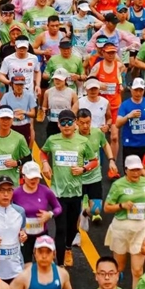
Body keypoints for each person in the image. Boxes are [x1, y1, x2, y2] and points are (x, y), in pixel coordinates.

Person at [40, 109, 95, 267]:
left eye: (69, 122)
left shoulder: (83, 141)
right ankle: (60, 264)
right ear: (58, 124)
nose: (66, 125)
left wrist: (83, 169)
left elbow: (94, 161)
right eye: (63, 122)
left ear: (75, 123)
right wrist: (45, 164)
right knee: (61, 229)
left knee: (72, 228)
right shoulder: (53, 140)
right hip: (58, 193)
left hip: (76, 192)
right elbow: (43, 152)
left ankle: (68, 248)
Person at [103, 154, 145, 289]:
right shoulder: (118, 185)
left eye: (138, 169)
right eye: (132, 170)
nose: (136, 173)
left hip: (141, 229)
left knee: (137, 270)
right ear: (126, 170)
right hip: (121, 229)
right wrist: (122, 205)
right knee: (119, 267)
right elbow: (107, 208)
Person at [13, 161, 62, 262]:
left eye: (36, 177)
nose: (34, 180)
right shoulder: (16, 193)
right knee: (25, 265)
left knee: (44, 263)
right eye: (31, 177)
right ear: (23, 176)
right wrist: (18, 229)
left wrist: (50, 214)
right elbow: (8, 213)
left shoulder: (45, 191)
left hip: (42, 235)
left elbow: (58, 207)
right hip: (24, 237)